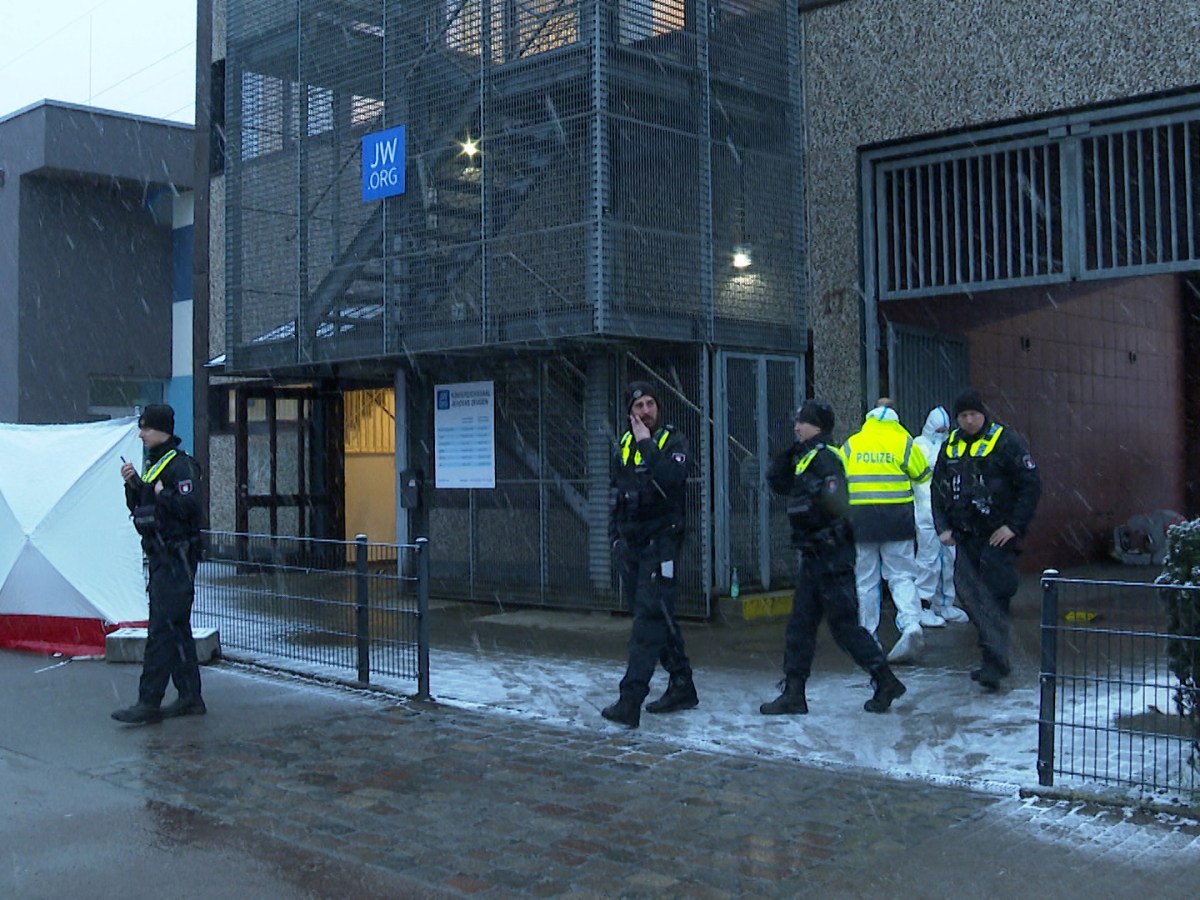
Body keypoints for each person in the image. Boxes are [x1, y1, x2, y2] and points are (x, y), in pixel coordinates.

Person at [760, 400, 906, 715]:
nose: (797, 428)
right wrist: (789, 453)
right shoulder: (807, 457)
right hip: (815, 555)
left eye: (803, 423)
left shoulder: (828, 459)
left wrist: (818, 518)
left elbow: (834, 503)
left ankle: (885, 679)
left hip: (832, 554)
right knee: (800, 627)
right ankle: (794, 693)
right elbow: (777, 481)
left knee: (845, 628)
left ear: (818, 426)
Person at [601, 380, 698, 728]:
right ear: (630, 411)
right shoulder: (623, 444)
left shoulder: (672, 440)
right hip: (632, 546)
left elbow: (671, 479)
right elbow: (616, 494)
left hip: (662, 544)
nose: (646, 411)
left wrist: (646, 444)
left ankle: (631, 700)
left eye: (650, 404)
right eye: (639, 405)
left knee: (647, 623)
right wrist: (615, 539)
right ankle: (683, 683)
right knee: (657, 618)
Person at [931, 388, 1041, 689]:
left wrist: (1013, 526)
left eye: (973, 415)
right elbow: (937, 489)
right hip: (964, 537)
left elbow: (1030, 486)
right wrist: (942, 525)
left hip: (996, 537)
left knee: (994, 595)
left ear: (983, 414)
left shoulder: (1006, 442)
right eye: (963, 416)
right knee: (969, 596)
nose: (969, 421)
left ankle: (995, 660)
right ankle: (993, 656)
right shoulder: (951, 446)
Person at [112, 404, 206, 725]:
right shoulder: (155, 466)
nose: (141, 434)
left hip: (177, 556)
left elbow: (190, 506)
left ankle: (148, 701)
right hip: (162, 556)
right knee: (177, 629)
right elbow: (146, 507)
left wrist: (161, 495)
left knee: (162, 630)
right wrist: (134, 486)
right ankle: (190, 697)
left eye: (146, 428)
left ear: (162, 430)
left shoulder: (180, 466)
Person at [841, 403, 931, 664]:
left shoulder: (852, 443)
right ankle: (912, 624)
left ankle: (868, 637)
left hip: (861, 522)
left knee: (865, 581)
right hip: (896, 521)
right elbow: (922, 474)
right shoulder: (904, 441)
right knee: (902, 576)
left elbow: (841, 476)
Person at [912, 406, 969, 626]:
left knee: (948, 559)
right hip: (926, 513)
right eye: (939, 428)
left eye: (946, 429)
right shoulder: (919, 445)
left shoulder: (950, 446)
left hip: (947, 515)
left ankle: (944, 604)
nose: (942, 432)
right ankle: (922, 605)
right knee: (928, 561)